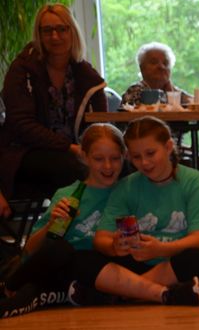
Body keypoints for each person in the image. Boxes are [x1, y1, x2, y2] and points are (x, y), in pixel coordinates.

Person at [71, 116, 199, 306]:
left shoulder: (196, 182)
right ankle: (166, 293)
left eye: (150, 153)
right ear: (128, 156)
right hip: (135, 263)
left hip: (173, 265)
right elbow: (101, 238)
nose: (145, 163)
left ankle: (120, 293)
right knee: (82, 258)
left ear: (168, 147)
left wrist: (160, 249)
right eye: (136, 157)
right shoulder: (126, 186)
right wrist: (114, 246)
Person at [1, 124, 124, 319]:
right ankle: (13, 286)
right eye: (99, 159)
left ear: (124, 157)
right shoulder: (67, 194)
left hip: (94, 271)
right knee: (60, 249)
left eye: (115, 158)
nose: (108, 166)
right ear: (84, 157)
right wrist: (51, 224)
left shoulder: (128, 192)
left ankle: (34, 293)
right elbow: (30, 250)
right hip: (60, 265)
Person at [0, 4, 106, 200]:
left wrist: (99, 148)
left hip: (72, 150)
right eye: (47, 30)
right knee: (73, 168)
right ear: (39, 35)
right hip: (24, 151)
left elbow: (100, 121)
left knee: (119, 164)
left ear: (72, 31)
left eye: (61, 29)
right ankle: (83, 217)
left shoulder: (85, 73)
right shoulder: (22, 70)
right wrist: (70, 148)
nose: (55, 36)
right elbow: (22, 125)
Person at [120, 42, 193, 108]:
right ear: (142, 68)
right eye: (154, 62)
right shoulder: (135, 91)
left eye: (165, 63)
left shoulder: (172, 90)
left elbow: (194, 103)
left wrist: (172, 93)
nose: (161, 67)